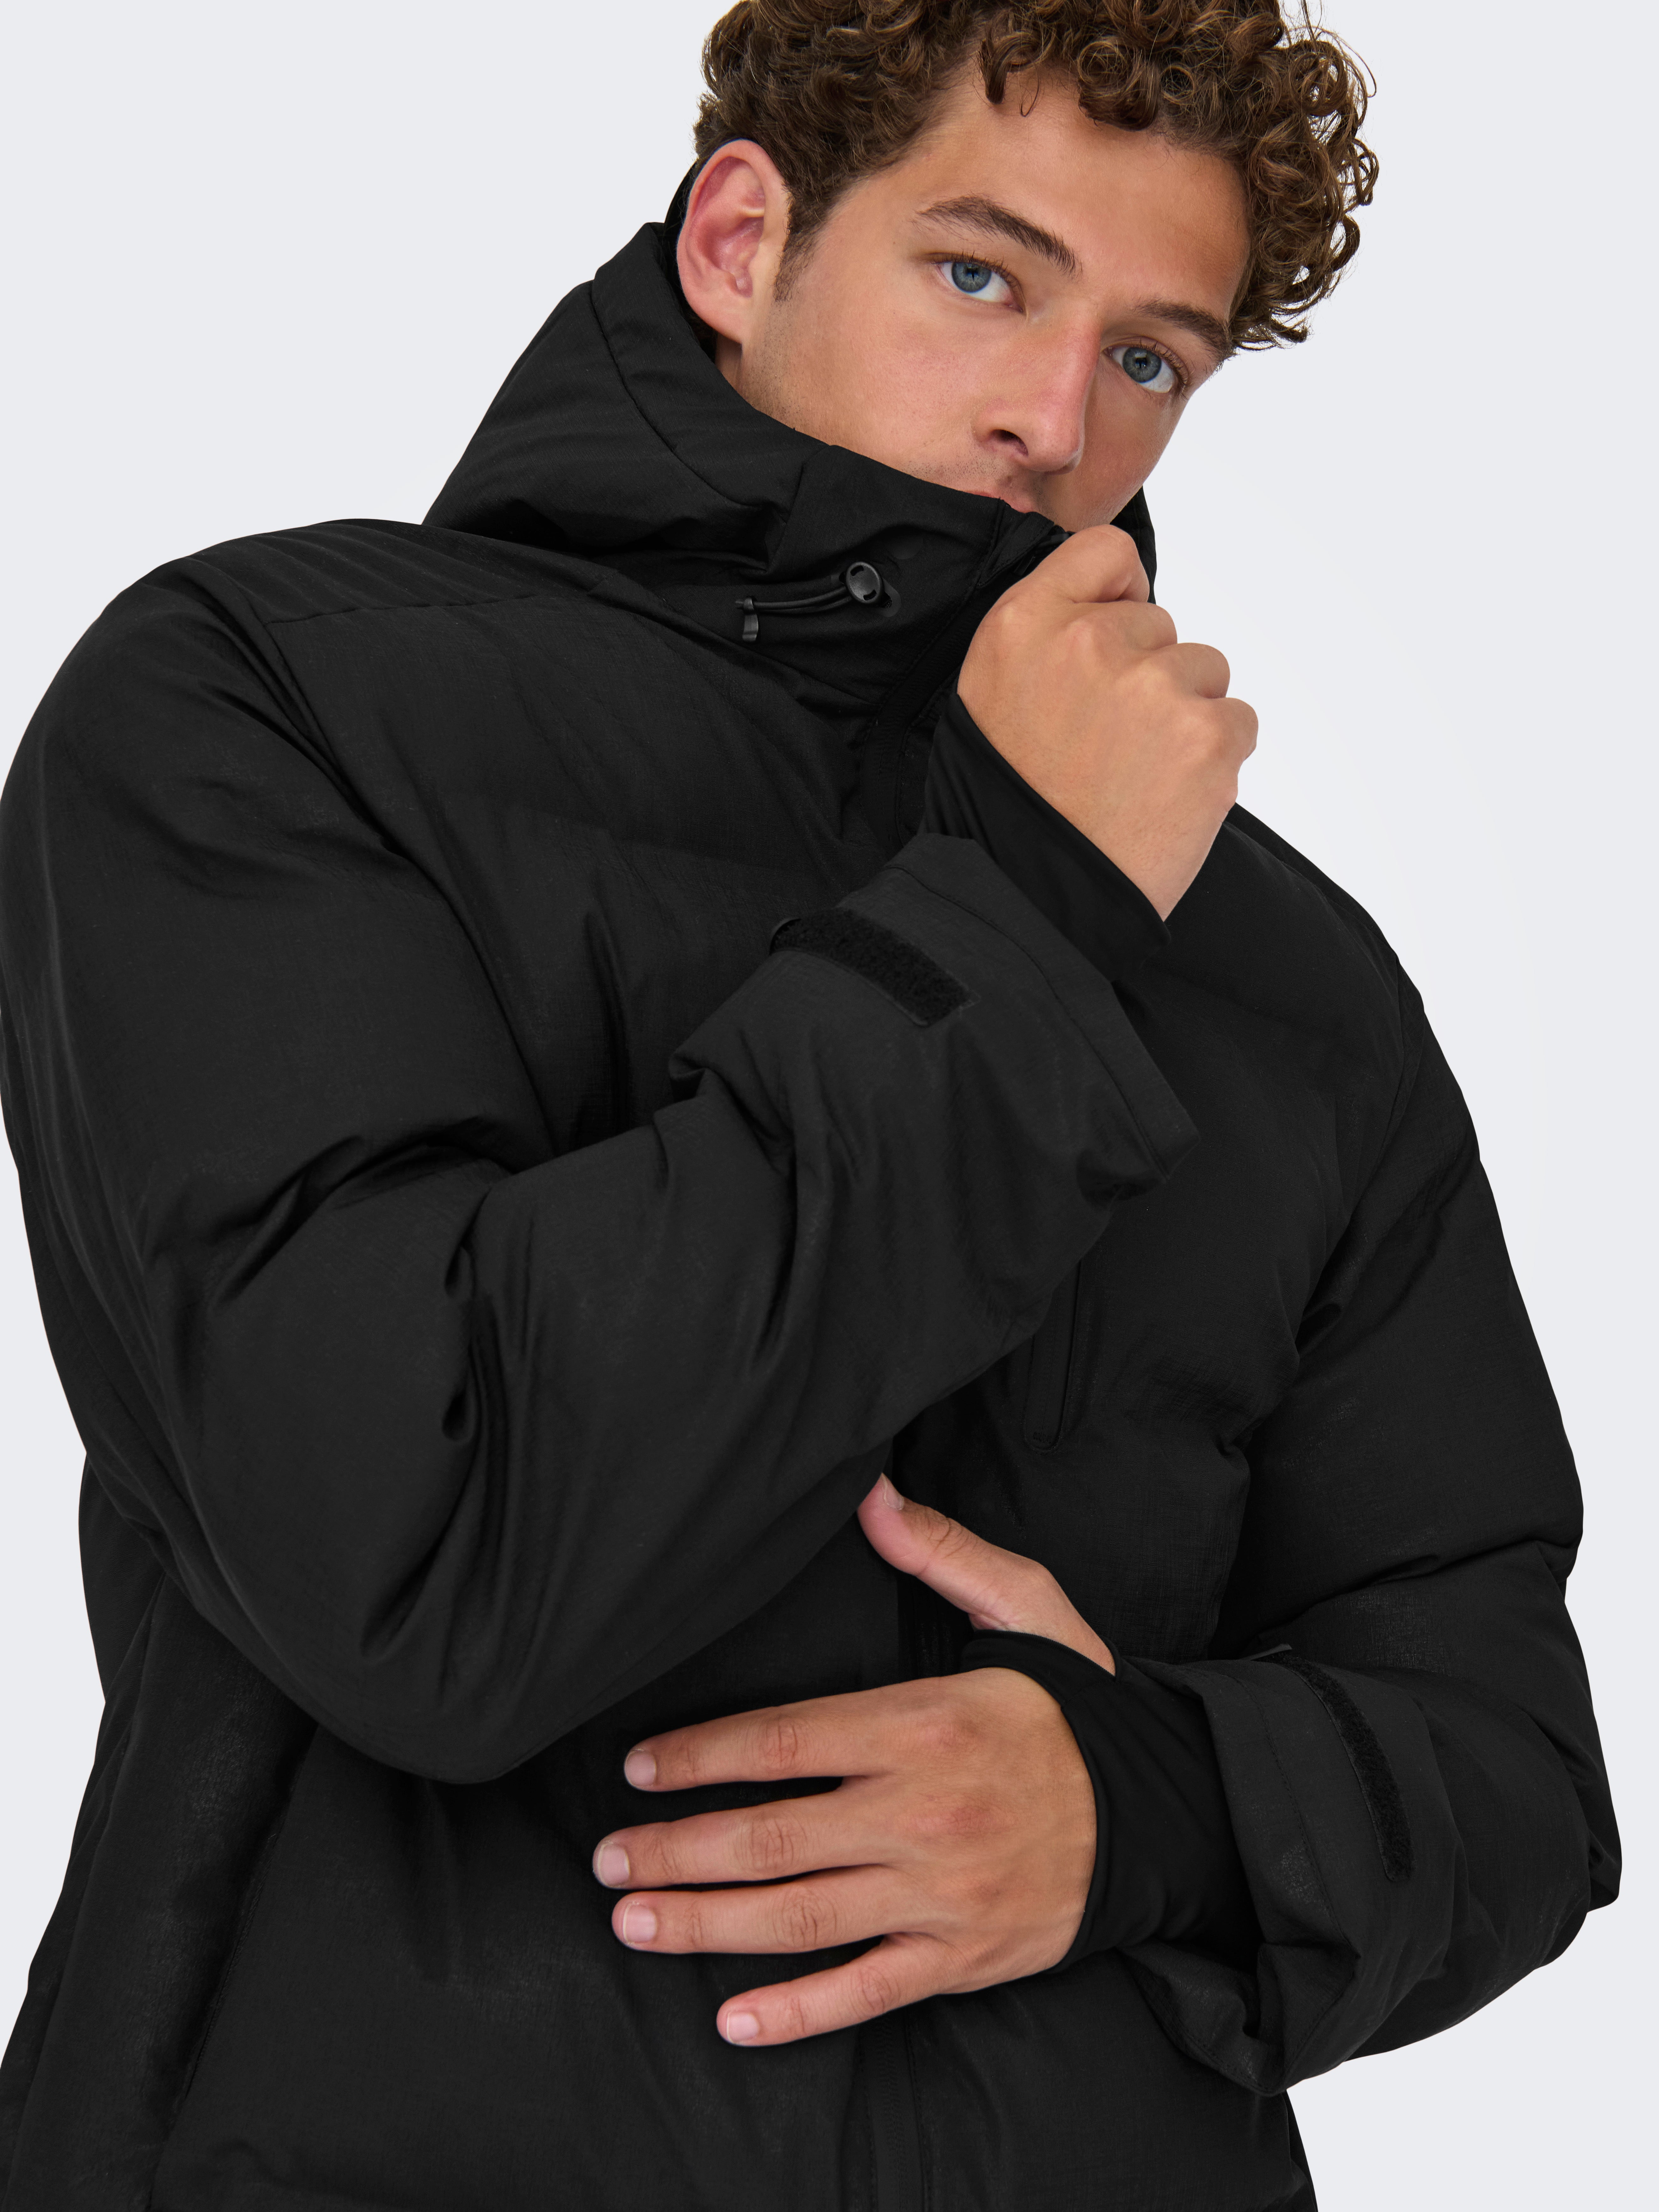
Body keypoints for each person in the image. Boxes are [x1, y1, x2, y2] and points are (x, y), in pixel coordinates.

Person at [0, 1, 1621, 2204]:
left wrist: (1142, 1802)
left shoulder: (1285, 971)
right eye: (982, 274)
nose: (1057, 419)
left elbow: (1513, 1764)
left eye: (1152, 357)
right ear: (743, 240)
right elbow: (425, 1565)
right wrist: (1024, 921)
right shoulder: (267, 706)